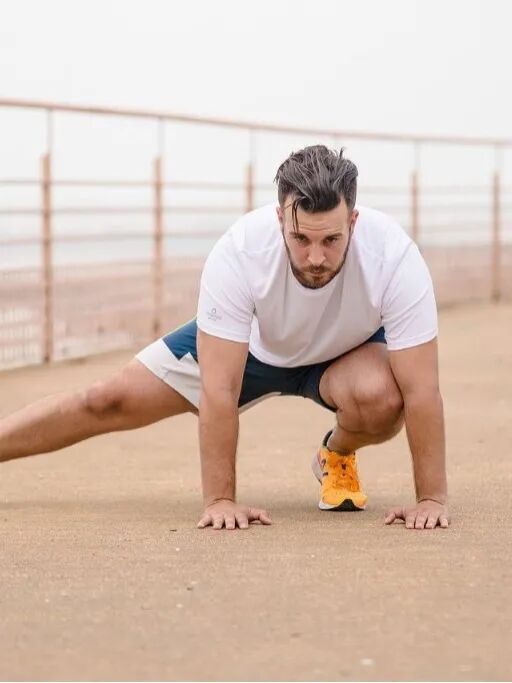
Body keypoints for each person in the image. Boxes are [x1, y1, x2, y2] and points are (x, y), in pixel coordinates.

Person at [0, 145, 449, 532]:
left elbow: (421, 389)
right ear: (280, 218)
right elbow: (218, 389)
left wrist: (430, 499)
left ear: (353, 219)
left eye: (331, 240)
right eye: (300, 238)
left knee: (383, 397)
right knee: (104, 401)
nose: (315, 257)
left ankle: (336, 455)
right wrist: (220, 500)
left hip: (344, 355)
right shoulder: (240, 250)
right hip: (249, 349)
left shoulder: (394, 256)